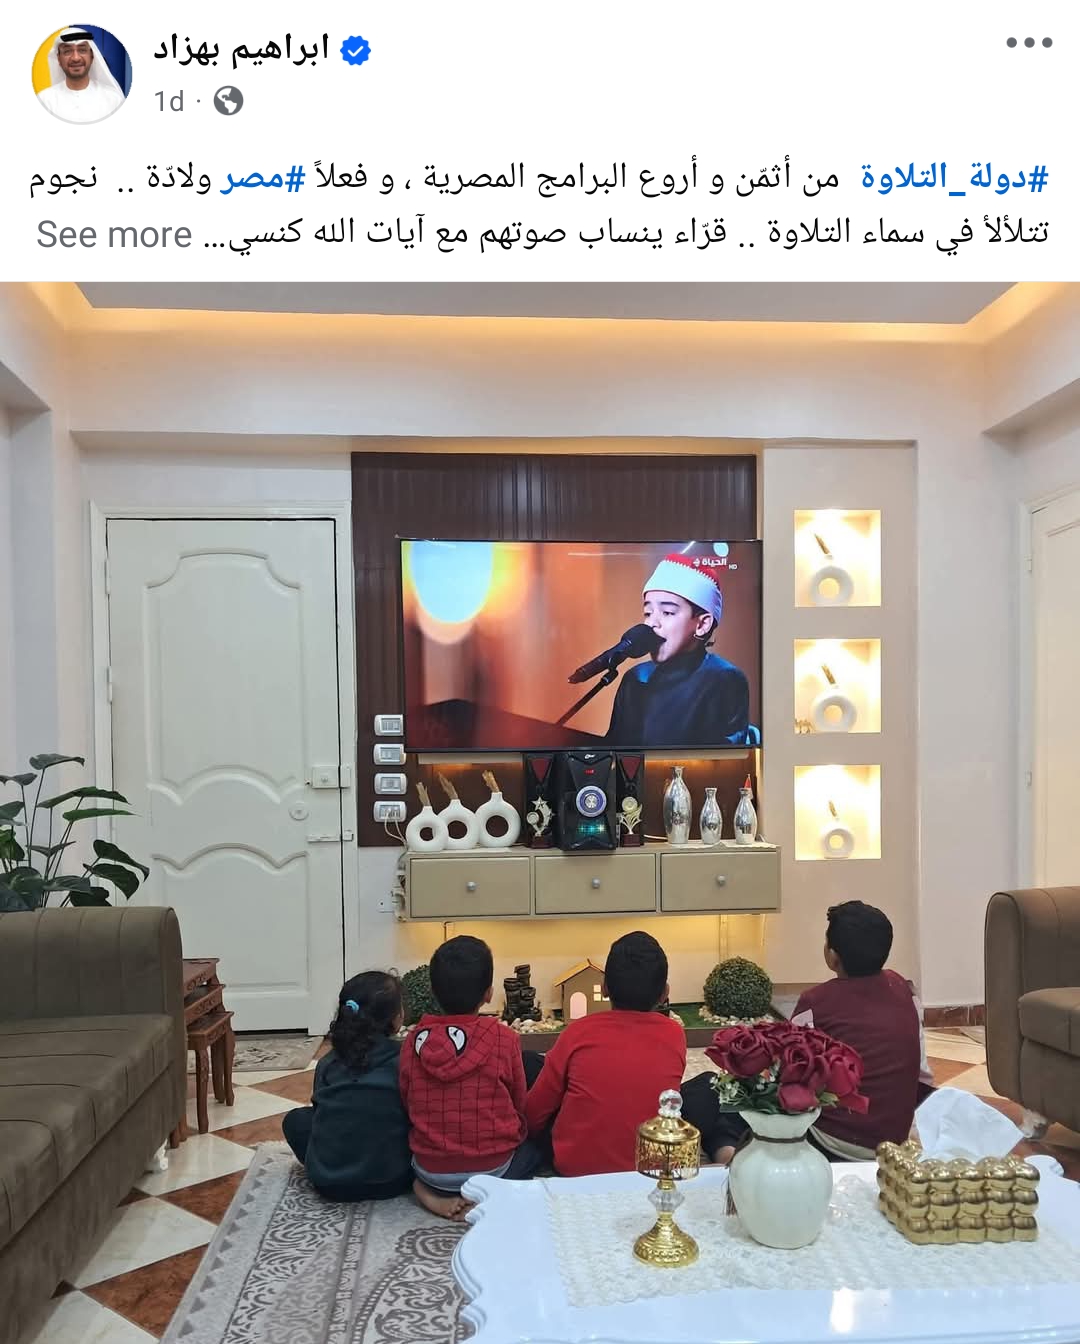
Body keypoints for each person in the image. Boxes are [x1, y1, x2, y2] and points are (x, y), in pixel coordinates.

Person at [682, 901, 921, 1163]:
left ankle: (729, 1152)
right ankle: (731, 1148)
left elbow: (782, 1074)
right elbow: (922, 1074)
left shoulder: (817, 1001)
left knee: (711, 1092)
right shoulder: (903, 989)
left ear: (832, 955)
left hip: (827, 1141)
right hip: (892, 1143)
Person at [399, 936, 540, 1219]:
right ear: (488, 993)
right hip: (496, 1169)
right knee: (536, 1149)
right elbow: (518, 1100)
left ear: (432, 991)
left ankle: (424, 1192)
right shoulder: (505, 1038)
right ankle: (488, 1198)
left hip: (432, 1173)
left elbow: (406, 1099)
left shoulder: (413, 1041)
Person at [525, 931, 686, 1176]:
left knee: (532, 1064)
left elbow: (536, 1111)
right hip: (650, 1166)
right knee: (704, 1086)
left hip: (574, 1167)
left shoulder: (578, 1032)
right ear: (665, 992)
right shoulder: (675, 1034)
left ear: (605, 988)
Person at [282, 971, 412, 1201]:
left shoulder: (327, 1063)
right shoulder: (406, 1060)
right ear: (396, 1019)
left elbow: (321, 1115)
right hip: (393, 1181)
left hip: (330, 1183)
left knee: (296, 1120)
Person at [605, 552, 750, 747]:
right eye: (648, 613)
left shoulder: (724, 679)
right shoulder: (636, 678)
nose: (652, 623)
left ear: (702, 624)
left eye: (667, 612)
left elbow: (723, 757)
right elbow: (615, 750)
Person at [37, 30, 126, 124]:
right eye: (67, 51)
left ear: (92, 56)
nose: (76, 58)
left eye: (82, 50)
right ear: (59, 59)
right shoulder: (44, 100)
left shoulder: (113, 99)